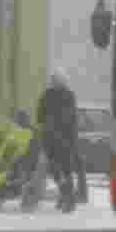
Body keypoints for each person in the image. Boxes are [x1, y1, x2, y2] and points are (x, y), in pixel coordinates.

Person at [36, 69, 86, 212]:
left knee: (55, 170)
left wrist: (46, 125)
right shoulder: (69, 95)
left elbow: (39, 116)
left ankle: (65, 195)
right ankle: (68, 199)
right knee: (66, 170)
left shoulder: (47, 95)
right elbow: (73, 119)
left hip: (51, 139)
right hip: (66, 140)